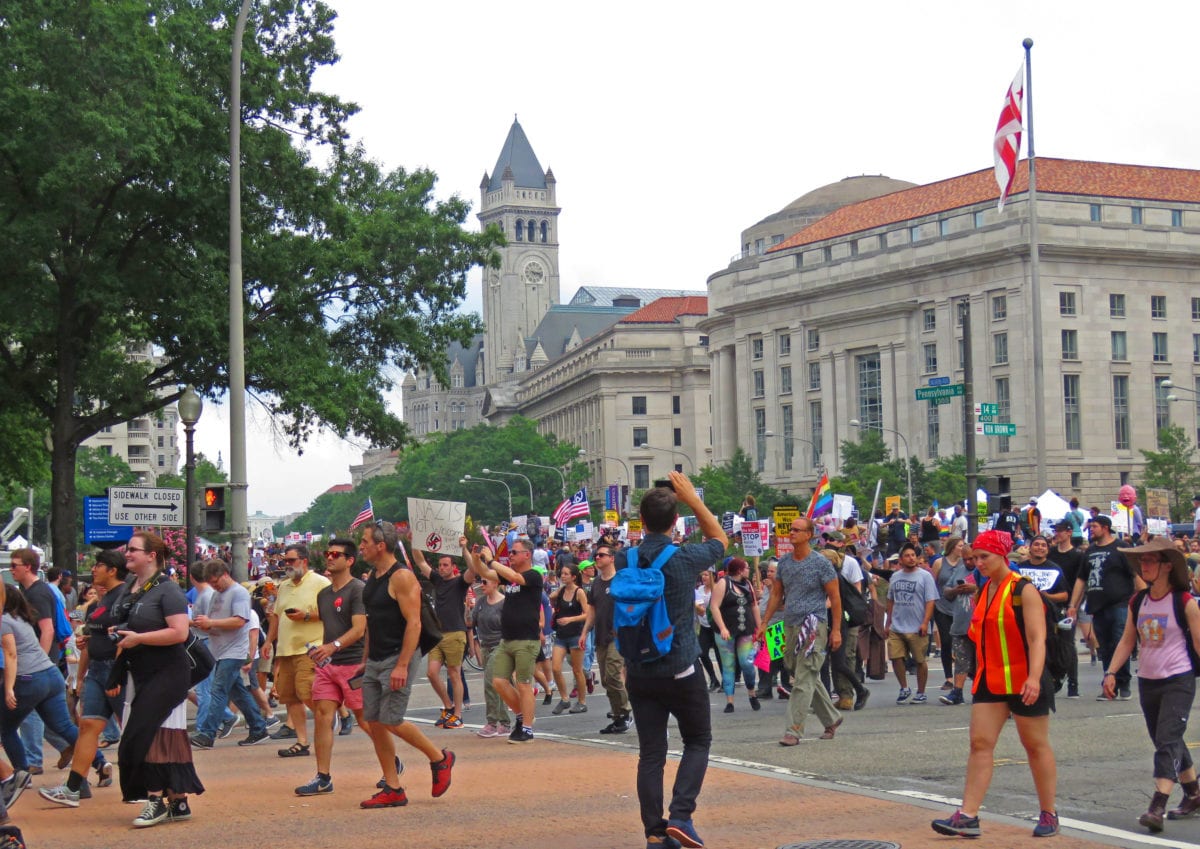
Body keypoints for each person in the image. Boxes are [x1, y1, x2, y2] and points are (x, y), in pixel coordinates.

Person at [931, 529, 1059, 839]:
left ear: (1002, 556)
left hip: (1024, 678)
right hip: (990, 679)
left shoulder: (1024, 590)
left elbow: (1037, 638)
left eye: (984, 557)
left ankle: (1049, 812)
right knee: (979, 744)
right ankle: (968, 815)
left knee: (1035, 745)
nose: (978, 563)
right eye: (975, 558)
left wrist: (1033, 677)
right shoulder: (983, 590)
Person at [621, 472, 726, 849]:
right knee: (698, 740)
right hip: (680, 664)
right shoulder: (684, 558)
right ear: (675, 521)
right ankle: (681, 815)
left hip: (638, 669)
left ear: (642, 521)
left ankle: (654, 831)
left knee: (651, 753)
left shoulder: (625, 557)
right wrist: (694, 501)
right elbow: (719, 539)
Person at [1102, 538, 1200, 831]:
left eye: (1150, 561)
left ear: (1167, 566)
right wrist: (1111, 672)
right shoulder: (1138, 601)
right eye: (1141, 562)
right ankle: (1194, 794)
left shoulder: (1185, 602)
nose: (1144, 566)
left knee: (1168, 739)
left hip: (1178, 679)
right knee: (1165, 738)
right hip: (1148, 680)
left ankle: (1157, 805)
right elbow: (1128, 640)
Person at [356, 521, 454, 808]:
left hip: (398, 656)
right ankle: (393, 787)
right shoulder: (374, 576)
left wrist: (401, 665)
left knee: (391, 719)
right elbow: (372, 623)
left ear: (380, 545)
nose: (361, 546)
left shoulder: (402, 577)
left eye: (364, 541)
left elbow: (414, 623)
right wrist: (365, 659)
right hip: (376, 659)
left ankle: (440, 758)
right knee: (374, 722)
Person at [112, 532, 203, 827]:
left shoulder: (168, 590)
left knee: (145, 733)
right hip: (141, 672)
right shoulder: (132, 586)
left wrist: (139, 638)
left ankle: (155, 800)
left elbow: (179, 632)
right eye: (127, 550)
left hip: (168, 672)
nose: (127, 554)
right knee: (164, 733)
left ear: (152, 555)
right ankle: (177, 799)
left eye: (133, 550)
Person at [37, 550, 128, 807]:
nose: (94, 569)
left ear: (112, 570)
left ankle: (155, 785)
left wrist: (118, 675)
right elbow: (89, 643)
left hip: (116, 672)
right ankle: (73, 788)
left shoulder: (125, 598)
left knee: (133, 730)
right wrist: (80, 679)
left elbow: (124, 638)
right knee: (87, 727)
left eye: (99, 565)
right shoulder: (100, 602)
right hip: (97, 671)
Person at [294, 538, 370, 796]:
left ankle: (390, 762)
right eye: (327, 553)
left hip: (353, 664)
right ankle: (323, 777)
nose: (329, 557)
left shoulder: (358, 589)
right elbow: (330, 624)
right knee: (322, 715)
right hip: (328, 665)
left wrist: (333, 645)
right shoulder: (324, 594)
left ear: (349, 561)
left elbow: (359, 629)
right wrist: (321, 648)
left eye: (336, 554)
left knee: (365, 718)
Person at [759, 515, 843, 746]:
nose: (791, 533)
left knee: (803, 677)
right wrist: (765, 622)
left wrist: (836, 631)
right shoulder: (784, 563)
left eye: (797, 530)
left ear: (809, 535)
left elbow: (835, 598)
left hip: (814, 624)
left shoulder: (821, 564)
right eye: (791, 530)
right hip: (791, 624)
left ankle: (793, 730)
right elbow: (776, 594)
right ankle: (832, 718)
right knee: (801, 672)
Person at [189, 559, 271, 749]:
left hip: (234, 651)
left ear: (225, 574)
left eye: (215, 581)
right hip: (219, 650)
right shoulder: (217, 594)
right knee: (238, 692)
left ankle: (207, 734)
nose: (213, 585)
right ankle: (259, 727)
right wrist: (200, 623)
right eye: (210, 582)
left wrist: (211, 623)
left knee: (217, 690)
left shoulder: (239, 593)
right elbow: (215, 620)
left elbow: (239, 621)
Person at [474, 538, 544, 743]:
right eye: (510, 552)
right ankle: (523, 716)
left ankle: (528, 729)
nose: (511, 555)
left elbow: (514, 576)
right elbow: (485, 573)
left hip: (526, 639)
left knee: (523, 684)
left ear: (527, 555)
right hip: (507, 639)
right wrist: (477, 557)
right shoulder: (509, 578)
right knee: (498, 681)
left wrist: (491, 560)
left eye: (514, 552)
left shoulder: (534, 575)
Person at [1068, 515, 1145, 700]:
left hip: (1120, 604)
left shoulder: (1122, 548)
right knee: (1105, 648)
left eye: (1094, 526)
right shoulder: (1089, 551)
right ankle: (1110, 685)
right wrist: (1073, 605)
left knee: (1120, 643)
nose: (1090, 529)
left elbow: (1136, 575)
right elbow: (1081, 579)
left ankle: (1123, 682)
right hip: (1098, 606)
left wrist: (1145, 598)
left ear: (1105, 527)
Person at [267, 543, 331, 757]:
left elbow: (333, 613)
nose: (287, 565)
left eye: (291, 560)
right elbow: (276, 617)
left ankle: (330, 717)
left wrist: (306, 615)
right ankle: (302, 742)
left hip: (311, 647)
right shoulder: (284, 586)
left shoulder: (321, 583)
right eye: (285, 561)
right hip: (286, 649)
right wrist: (268, 642)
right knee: (290, 697)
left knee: (306, 693)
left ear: (304, 561)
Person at [411, 543, 474, 730]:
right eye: (440, 565)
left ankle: (458, 715)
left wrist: (464, 549)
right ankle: (448, 706)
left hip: (455, 632)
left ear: (453, 566)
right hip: (438, 634)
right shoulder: (438, 580)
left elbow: (473, 569)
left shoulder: (460, 582)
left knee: (454, 674)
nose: (442, 568)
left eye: (446, 565)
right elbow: (420, 562)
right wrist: (415, 543)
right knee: (431, 673)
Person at [580, 542, 632, 734]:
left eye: (601, 555)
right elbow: (592, 610)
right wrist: (585, 631)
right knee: (605, 679)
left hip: (617, 636)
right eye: (596, 555)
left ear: (612, 558)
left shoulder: (620, 580)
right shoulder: (596, 584)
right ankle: (618, 717)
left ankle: (626, 712)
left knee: (613, 673)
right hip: (600, 635)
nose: (597, 558)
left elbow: (631, 606)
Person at [886, 543, 938, 704]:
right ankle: (904, 687)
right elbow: (890, 599)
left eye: (913, 555)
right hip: (897, 625)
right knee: (895, 657)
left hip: (917, 626)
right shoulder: (895, 576)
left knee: (919, 660)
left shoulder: (925, 576)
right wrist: (888, 622)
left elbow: (930, 601)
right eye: (907, 556)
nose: (911, 558)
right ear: (901, 560)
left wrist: (925, 622)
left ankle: (921, 692)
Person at [709, 557, 760, 714]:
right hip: (727, 632)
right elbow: (714, 607)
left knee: (747, 662)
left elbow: (754, 605)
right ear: (739, 570)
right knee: (728, 665)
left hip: (746, 630)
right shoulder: (723, 583)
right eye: (746, 568)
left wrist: (760, 626)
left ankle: (751, 691)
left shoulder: (748, 584)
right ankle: (729, 701)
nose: (749, 570)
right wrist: (722, 627)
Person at [470, 573, 511, 738]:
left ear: (495, 583)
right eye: (481, 581)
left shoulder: (505, 603)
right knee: (497, 685)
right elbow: (470, 622)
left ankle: (492, 722)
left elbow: (510, 625)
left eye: (485, 581)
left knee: (490, 681)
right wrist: (467, 607)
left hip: (500, 646)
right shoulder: (481, 602)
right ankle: (505, 722)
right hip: (486, 646)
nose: (482, 584)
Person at [549, 562, 590, 715]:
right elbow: (551, 598)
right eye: (562, 574)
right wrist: (560, 589)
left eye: (566, 574)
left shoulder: (579, 592)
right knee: (556, 668)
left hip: (575, 635)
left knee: (577, 670)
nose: (563, 576)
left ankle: (582, 701)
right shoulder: (561, 591)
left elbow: (587, 614)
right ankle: (564, 699)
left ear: (574, 577)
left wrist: (570, 619)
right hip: (561, 635)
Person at [932, 537, 966, 692]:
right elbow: (933, 584)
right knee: (946, 641)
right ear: (953, 547)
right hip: (942, 606)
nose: (962, 548)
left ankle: (962, 676)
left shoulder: (964, 563)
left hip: (959, 608)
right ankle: (948, 678)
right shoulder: (940, 563)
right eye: (960, 545)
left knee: (960, 644)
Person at [693, 570, 722, 692]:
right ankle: (713, 679)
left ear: (713, 576)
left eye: (706, 574)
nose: (703, 577)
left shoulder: (718, 589)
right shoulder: (699, 590)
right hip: (704, 626)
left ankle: (726, 681)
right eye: (702, 575)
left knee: (720, 655)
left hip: (716, 626)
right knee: (702, 653)